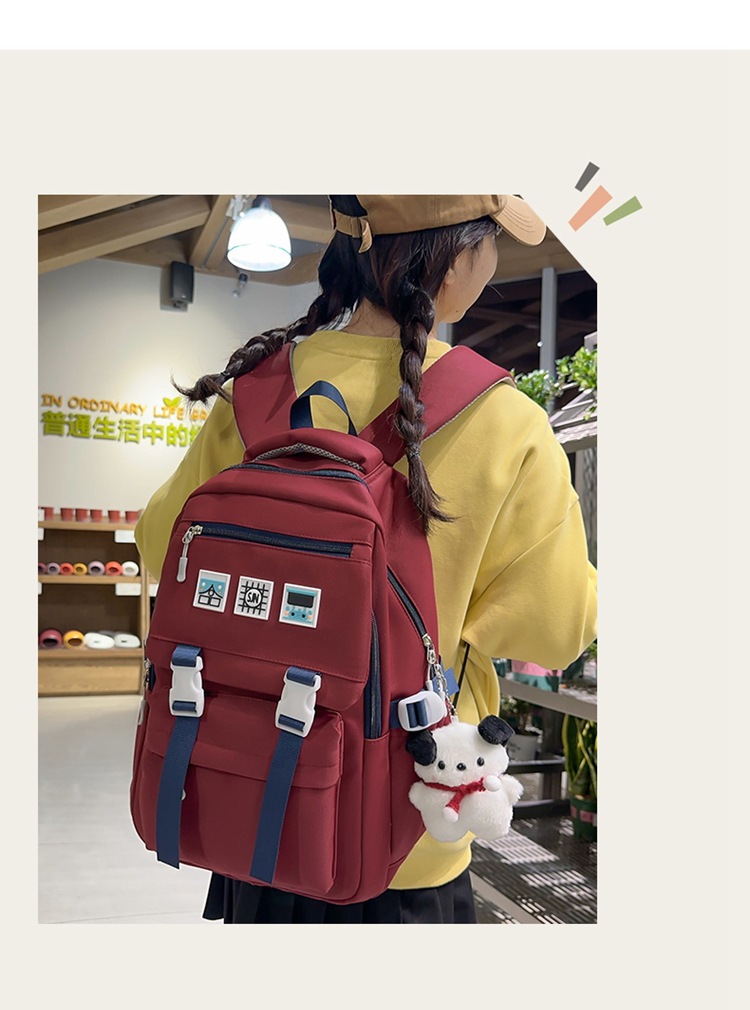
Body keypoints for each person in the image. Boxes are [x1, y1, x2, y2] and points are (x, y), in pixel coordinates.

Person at [135, 194, 598, 924]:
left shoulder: (257, 392)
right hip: (410, 827)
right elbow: (556, 629)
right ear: (453, 260)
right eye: (490, 241)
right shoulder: (507, 421)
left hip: (251, 801)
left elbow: (161, 545)